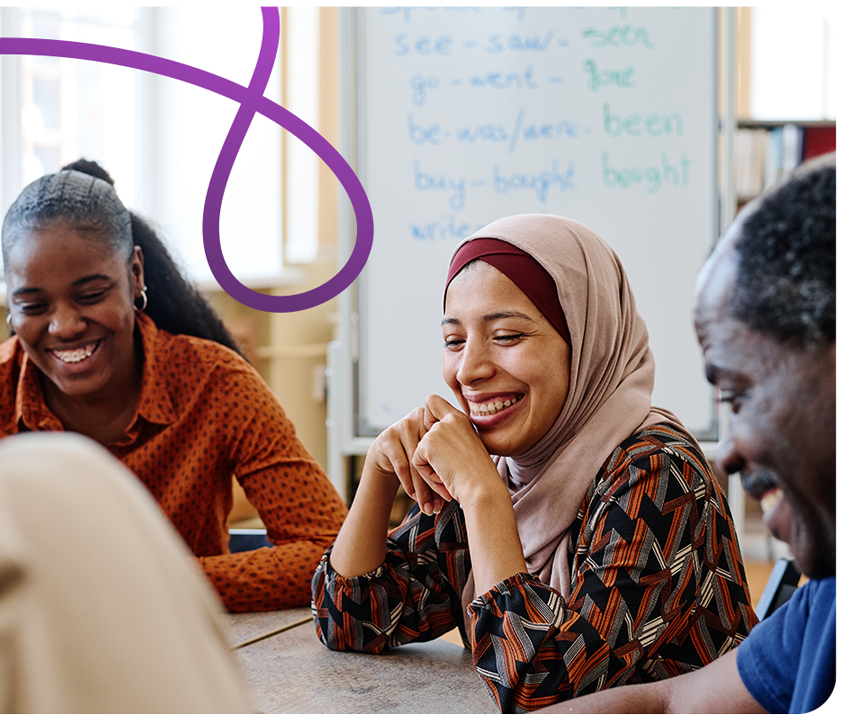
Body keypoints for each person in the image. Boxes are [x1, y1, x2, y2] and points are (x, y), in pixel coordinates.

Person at [312, 213, 758, 712]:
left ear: (587, 340)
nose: (470, 370)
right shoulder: (507, 462)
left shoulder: (655, 471)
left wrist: (483, 497)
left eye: (506, 337)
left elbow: (540, 688)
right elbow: (349, 620)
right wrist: (378, 470)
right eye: (454, 341)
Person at [0, 159, 348, 613]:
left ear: (135, 275)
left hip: (178, 660)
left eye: (90, 295)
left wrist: (148, 582)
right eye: (33, 304)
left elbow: (331, 554)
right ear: (9, 302)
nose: (63, 325)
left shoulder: (217, 385)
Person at [539, 153, 837, 715]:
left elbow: (539, 673)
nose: (728, 450)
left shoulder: (653, 466)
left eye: (741, 396)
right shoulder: (828, 597)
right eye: (453, 339)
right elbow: (673, 703)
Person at [0, 433, 254, 713]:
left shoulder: (71, 468)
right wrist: (156, 572)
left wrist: (164, 572)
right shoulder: (75, 464)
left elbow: (303, 551)